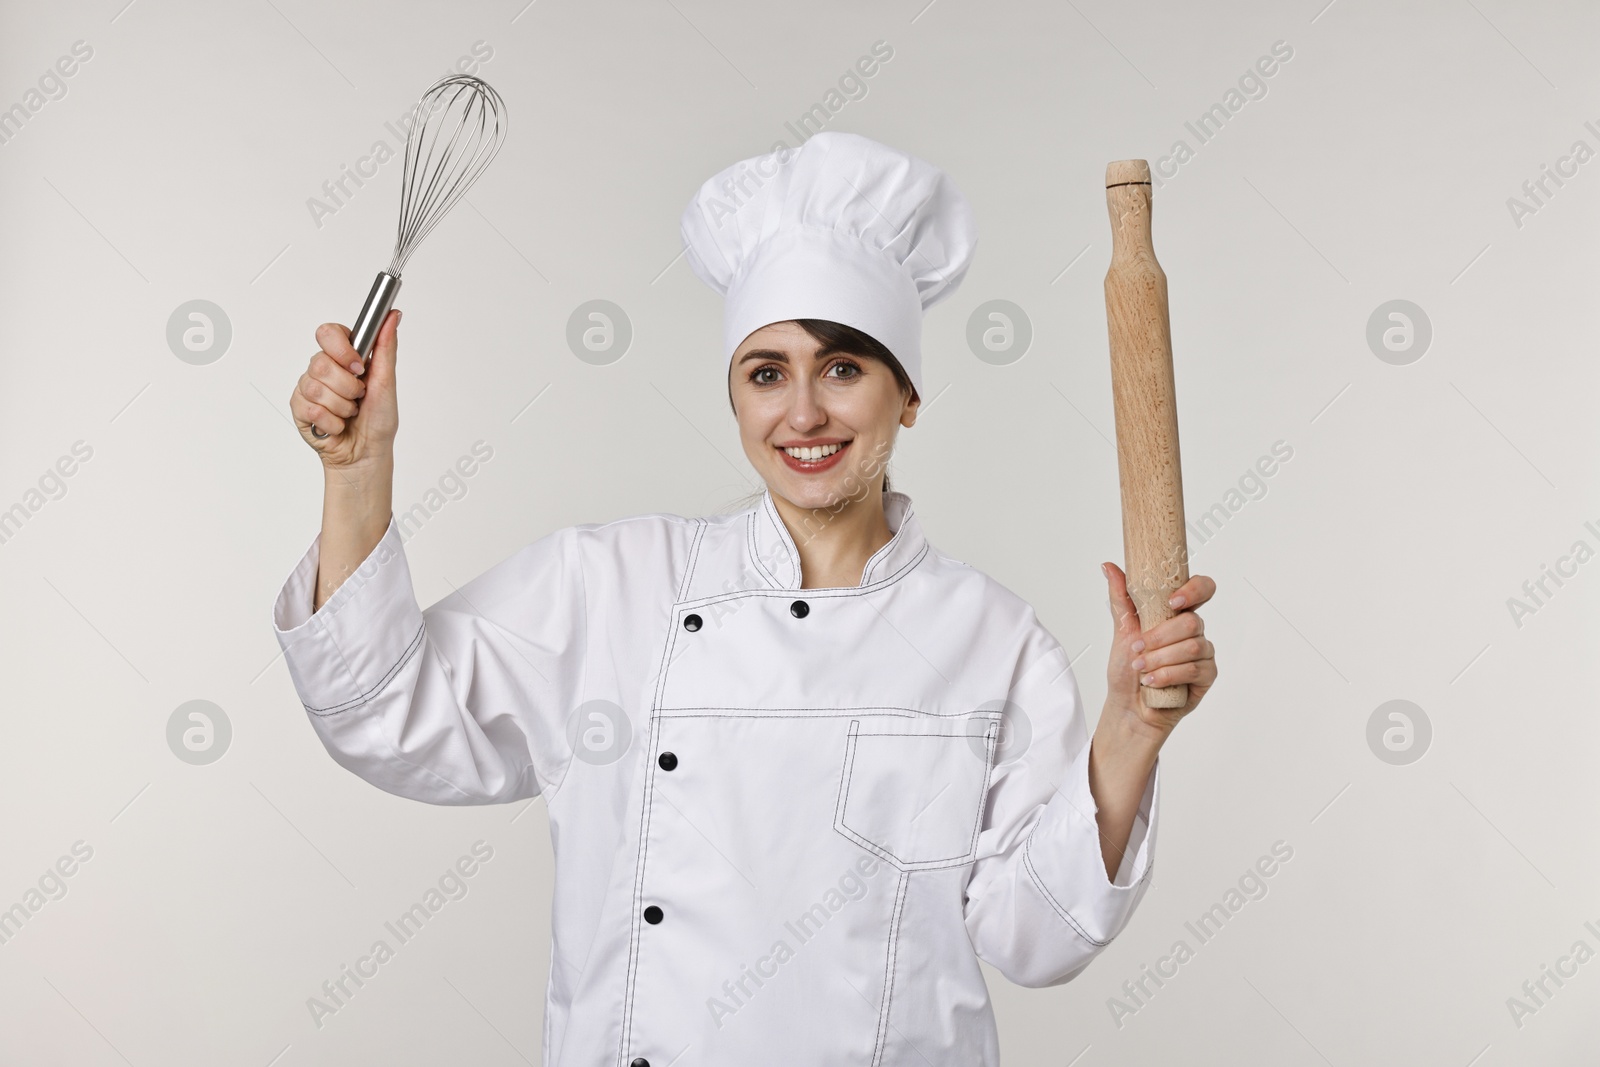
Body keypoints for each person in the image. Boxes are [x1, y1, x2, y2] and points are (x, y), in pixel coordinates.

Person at [275, 131, 1217, 1065]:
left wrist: (1132, 725)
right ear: (733, 398)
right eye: (767, 373)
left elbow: (1034, 937)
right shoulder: (611, 590)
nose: (803, 413)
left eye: (843, 367)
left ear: (911, 393)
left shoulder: (992, 642)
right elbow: (384, 713)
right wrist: (358, 471)